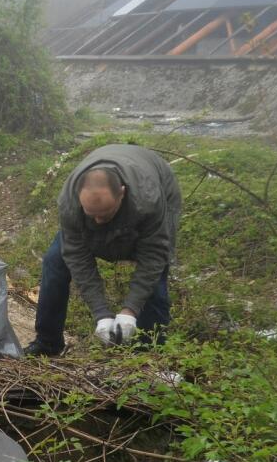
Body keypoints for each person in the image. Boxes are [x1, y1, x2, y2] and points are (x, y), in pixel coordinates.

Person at [24, 144, 182, 357]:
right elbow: (77, 258)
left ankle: (148, 355)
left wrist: (130, 311)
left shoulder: (148, 200)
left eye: (105, 214)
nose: (98, 221)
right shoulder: (69, 203)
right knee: (55, 261)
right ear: (80, 198)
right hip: (106, 203)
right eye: (92, 214)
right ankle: (48, 343)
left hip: (155, 182)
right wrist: (102, 314)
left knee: (156, 277)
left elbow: (153, 257)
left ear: (122, 194)